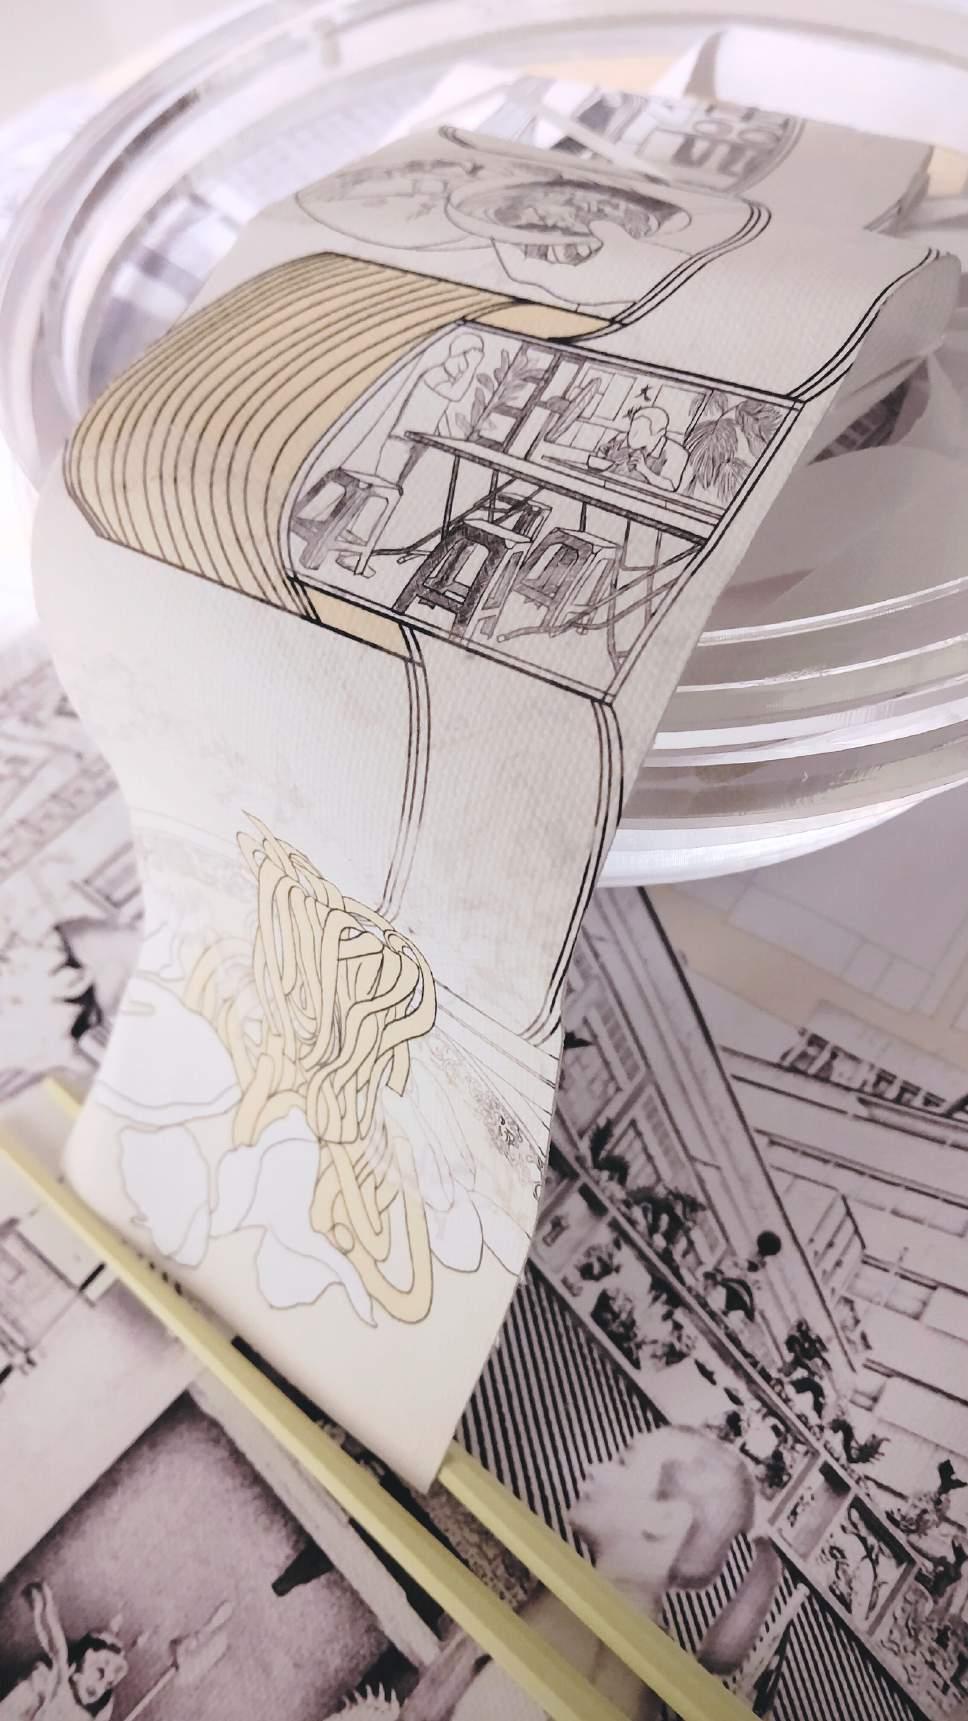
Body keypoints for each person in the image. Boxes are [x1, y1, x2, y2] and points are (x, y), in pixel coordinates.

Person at [398, 1426, 781, 1719]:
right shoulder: (615, 1633)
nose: (597, 1469)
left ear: (664, 1519)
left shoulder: (584, 1636)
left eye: (624, 1462)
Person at [0, 1583, 128, 1718]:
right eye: (99, 1671)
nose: (101, 1685)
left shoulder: (85, 1716)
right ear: (75, 1667)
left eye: (108, 1684)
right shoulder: (45, 1684)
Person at [601, 405, 688, 494]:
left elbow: (670, 486)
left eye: (642, 431)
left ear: (659, 433)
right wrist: (606, 454)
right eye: (633, 428)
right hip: (609, 487)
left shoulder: (676, 452)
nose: (632, 435)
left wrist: (643, 470)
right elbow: (604, 463)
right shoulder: (622, 438)